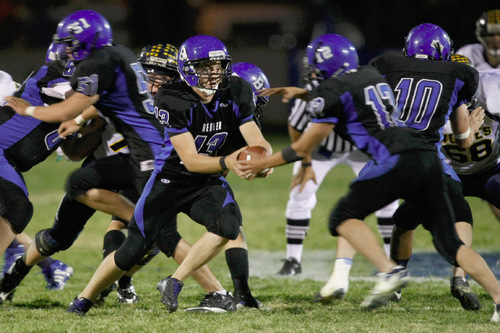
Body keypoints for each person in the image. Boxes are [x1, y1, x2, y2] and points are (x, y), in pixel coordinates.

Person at [238, 33, 500, 322]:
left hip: (392, 159)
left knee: (344, 216)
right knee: (451, 244)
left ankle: (385, 272)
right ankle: (498, 297)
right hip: (429, 159)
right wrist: (304, 94)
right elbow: (351, 92)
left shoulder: (373, 74)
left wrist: (262, 162)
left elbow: (302, 146)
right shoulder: (376, 76)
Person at [61, 34, 272, 316]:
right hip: (171, 180)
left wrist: (263, 159)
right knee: (132, 250)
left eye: (218, 67)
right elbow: (191, 160)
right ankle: (84, 299)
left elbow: (255, 139)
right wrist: (229, 160)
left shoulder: (237, 90)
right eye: (205, 68)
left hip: (207, 182)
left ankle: (174, 281)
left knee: (228, 225)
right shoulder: (172, 98)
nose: (213, 74)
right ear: (187, 69)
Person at [0, 10, 166, 305]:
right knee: (33, 219)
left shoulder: (164, 106)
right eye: (149, 75)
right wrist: (93, 114)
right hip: (87, 166)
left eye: (163, 77)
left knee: (149, 232)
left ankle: (114, 283)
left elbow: (74, 146)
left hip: (135, 169)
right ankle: (19, 273)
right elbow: (73, 125)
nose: (154, 83)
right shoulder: (71, 77)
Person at [368, 23, 486, 311]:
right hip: (427, 161)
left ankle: (394, 280)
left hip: (388, 160)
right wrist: (471, 126)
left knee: (403, 221)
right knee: (460, 212)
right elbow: (463, 142)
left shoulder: (389, 66)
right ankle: (460, 277)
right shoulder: (457, 76)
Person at [277, 37, 399, 304]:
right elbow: (297, 127)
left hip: (359, 149)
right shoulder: (315, 89)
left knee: (387, 204)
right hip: (322, 148)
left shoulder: (354, 84)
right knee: (301, 193)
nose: (311, 72)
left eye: (316, 65)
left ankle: (391, 263)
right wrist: (306, 162)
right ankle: (292, 259)